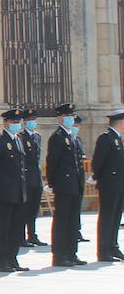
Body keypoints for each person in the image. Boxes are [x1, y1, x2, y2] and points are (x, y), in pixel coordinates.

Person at [0, 109, 30, 273]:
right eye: (13, 122)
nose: (16, 125)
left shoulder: (19, 140)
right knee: (3, 227)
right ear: (5, 123)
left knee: (16, 227)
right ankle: (1, 261)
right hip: (4, 190)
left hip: (18, 190)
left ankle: (12, 258)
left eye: (18, 122)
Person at [44, 103, 86, 267]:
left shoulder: (73, 137)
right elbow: (52, 162)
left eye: (71, 115)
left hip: (75, 184)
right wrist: (52, 182)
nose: (70, 118)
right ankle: (60, 255)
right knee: (62, 220)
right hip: (64, 184)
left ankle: (71, 253)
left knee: (73, 220)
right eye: (67, 116)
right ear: (60, 117)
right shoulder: (58, 137)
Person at [91, 109, 124, 263]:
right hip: (109, 185)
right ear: (121, 122)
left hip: (119, 185)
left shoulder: (118, 139)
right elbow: (98, 162)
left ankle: (112, 246)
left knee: (116, 218)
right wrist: (98, 178)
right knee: (107, 218)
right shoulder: (106, 138)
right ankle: (103, 251)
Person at [20, 109, 47, 249]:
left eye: (34, 119)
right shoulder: (21, 136)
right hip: (26, 177)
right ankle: (21, 236)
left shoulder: (37, 136)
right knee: (25, 208)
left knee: (34, 208)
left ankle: (32, 234)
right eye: (29, 120)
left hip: (36, 177)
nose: (32, 122)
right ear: (24, 122)